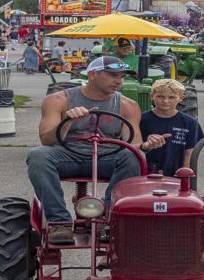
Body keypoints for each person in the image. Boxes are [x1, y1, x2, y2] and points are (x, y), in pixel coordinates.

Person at [27, 56, 144, 245]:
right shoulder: (58, 100)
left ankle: (110, 218)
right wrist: (68, 121)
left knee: (133, 156)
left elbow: (135, 144)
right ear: (92, 74)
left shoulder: (128, 105)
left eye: (122, 76)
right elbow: (47, 140)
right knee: (38, 156)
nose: (119, 81)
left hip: (106, 157)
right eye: (113, 75)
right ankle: (59, 222)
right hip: (69, 155)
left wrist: (147, 145)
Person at [138, 78, 202, 176]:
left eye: (171, 97)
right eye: (160, 96)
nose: (165, 101)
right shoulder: (141, 119)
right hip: (146, 172)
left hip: (176, 173)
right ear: (151, 96)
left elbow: (189, 152)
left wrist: (184, 175)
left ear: (181, 98)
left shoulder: (190, 123)